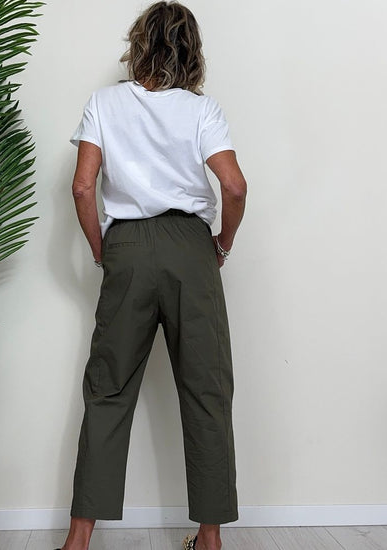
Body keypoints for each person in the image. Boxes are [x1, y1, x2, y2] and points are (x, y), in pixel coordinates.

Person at [59, 2, 247, 549]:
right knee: (207, 390)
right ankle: (209, 540)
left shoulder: (104, 103)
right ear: (192, 50)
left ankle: (77, 542)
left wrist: (103, 250)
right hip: (191, 249)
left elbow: (82, 186)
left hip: (127, 247)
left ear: (139, 43)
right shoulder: (202, 110)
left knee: (108, 388)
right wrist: (222, 243)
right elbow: (233, 187)